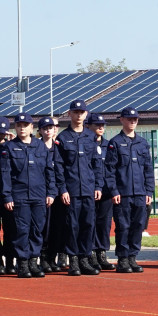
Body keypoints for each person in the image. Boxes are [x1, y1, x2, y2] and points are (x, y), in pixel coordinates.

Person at [0, 113, 57, 278]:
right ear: (15, 127)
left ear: (32, 127)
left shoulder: (40, 147)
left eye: (25, 125)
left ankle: (33, 261)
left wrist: (51, 192)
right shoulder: (9, 148)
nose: (22, 128)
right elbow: (5, 175)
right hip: (19, 196)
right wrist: (7, 196)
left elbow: (49, 172)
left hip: (39, 195)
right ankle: (23, 263)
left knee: (37, 230)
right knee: (22, 230)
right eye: (19, 125)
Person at [57, 99, 104, 276]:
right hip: (71, 190)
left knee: (88, 224)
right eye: (75, 112)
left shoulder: (91, 137)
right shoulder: (63, 137)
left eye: (81, 112)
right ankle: (73, 260)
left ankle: (85, 258)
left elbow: (97, 163)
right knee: (72, 226)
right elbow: (59, 166)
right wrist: (62, 189)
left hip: (89, 189)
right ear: (70, 114)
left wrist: (98, 185)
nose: (78, 115)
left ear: (86, 114)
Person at [105, 107, 155, 273]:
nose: (132, 122)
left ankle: (133, 257)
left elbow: (148, 169)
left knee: (138, 226)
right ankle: (122, 259)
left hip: (140, 193)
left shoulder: (142, 143)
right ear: (122, 120)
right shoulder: (115, 143)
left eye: (135, 119)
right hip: (123, 193)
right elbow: (110, 170)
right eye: (129, 119)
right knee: (123, 226)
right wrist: (114, 191)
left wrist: (149, 192)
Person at [37, 117, 67, 272]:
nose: (50, 130)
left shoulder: (59, 147)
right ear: (40, 130)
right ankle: (42, 258)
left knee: (57, 227)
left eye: (53, 127)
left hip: (58, 193)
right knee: (44, 227)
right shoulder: (37, 147)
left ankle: (52, 257)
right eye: (46, 128)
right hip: (44, 193)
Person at [88, 113, 115, 271]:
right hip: (89, 190)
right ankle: (90, 254)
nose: (100, 127)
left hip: (105, 191)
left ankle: (101, 254)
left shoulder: (108, 145)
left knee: (104, 224)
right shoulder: (86, 144)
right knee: (90, 223)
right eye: (97, 125)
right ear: (88, 126)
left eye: (102, 125)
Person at [0, 116, 16, 274]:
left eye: (4, 132)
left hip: (9, 195)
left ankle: (10, 261)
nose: (1, 135)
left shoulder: (11, 147)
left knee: (11, 231)